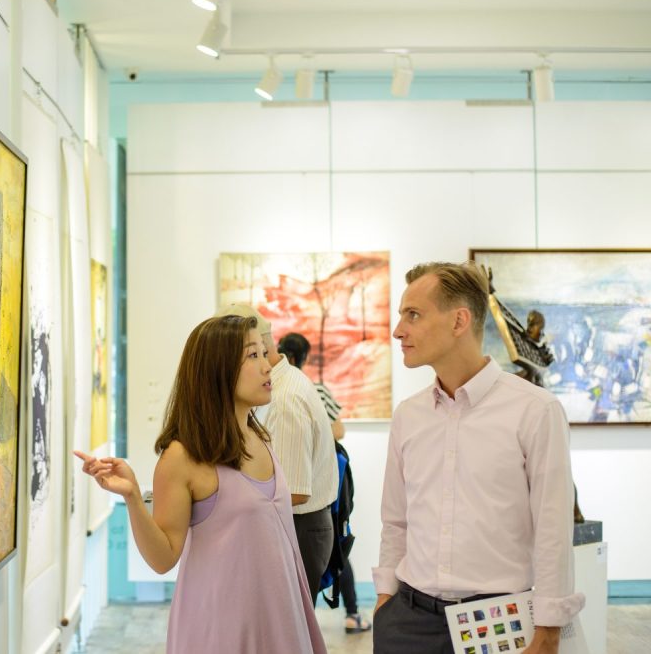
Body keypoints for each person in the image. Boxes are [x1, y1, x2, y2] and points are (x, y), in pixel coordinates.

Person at [75, 314, 326, 653]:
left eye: (264, 353)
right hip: (220, 629)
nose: (268, 366)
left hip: (280, 619)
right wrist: (133, 496)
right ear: (218, 369)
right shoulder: (181, 458)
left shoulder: (260, 437)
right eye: (253, 355)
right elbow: (163, 558)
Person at [373, 262, 584, 654]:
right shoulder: (408, 415)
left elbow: (553, 529)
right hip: (408, 622)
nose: (398, 330)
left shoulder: (535, 411)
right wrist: (385, 599)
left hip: (498, 624)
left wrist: (549, 627)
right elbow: (396, 520)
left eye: (413, 315)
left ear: (459, 321)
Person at [278, 333, 371, 635]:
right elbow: (338, 430)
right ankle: (351, 614)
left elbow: (337, 431)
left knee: (327, 549)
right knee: (334, 548)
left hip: (301, 491)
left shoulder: (284, 390)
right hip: (319, 489)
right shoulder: (312, 388)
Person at [241, 317, 337, 605]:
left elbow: (294, 491)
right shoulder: (280, 386)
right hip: (295, 526)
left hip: (298, 527)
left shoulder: (284, 400)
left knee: (289, 625)